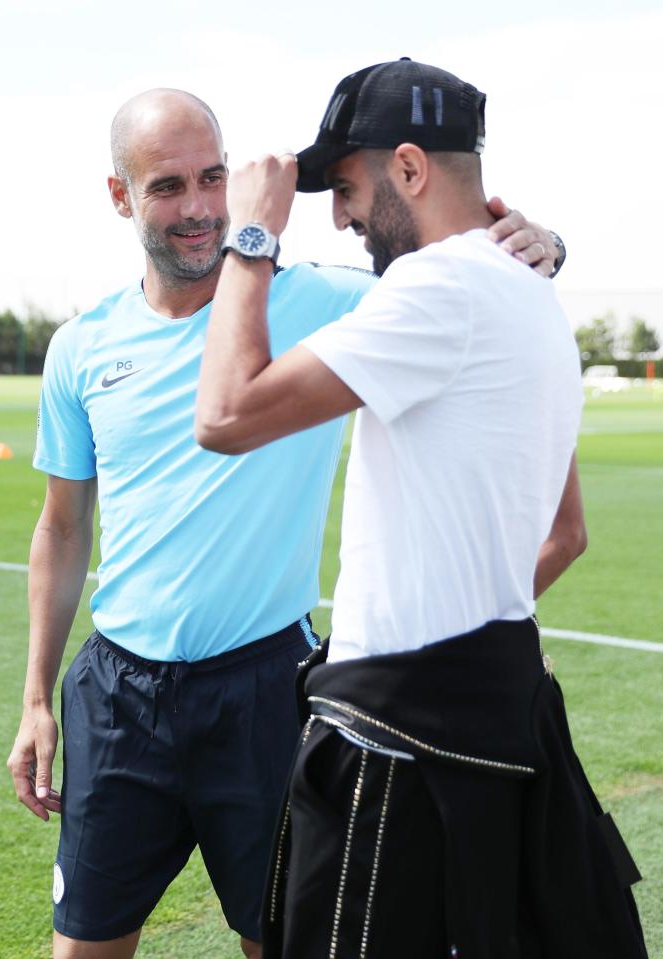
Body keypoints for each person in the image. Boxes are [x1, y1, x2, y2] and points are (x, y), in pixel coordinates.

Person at [6, 86, 576, 959]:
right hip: (116, 697)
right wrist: (37, 695)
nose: (198, 209)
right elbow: (61, 528)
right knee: (82, 946)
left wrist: (541, 242)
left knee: (282, 940)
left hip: (266, 691)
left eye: (211, 179)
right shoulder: (80, 347)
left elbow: (456, 268)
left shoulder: (336, 299)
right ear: (120, 196)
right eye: (167, 187)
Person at [195, 60, 646, 959]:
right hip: (500, 711)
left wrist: (250, 236)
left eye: (350, 187)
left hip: (394, 742)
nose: (339, 216)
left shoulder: (436, 288)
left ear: (409, 169)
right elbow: (566, 535)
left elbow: (224, 415)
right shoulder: (530, 291)